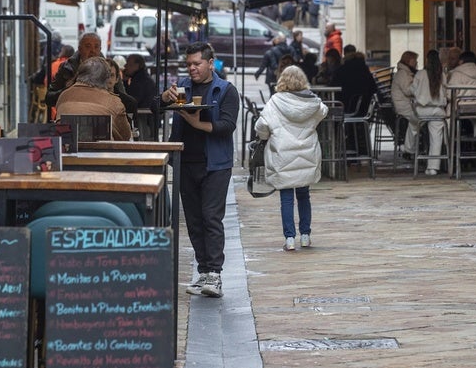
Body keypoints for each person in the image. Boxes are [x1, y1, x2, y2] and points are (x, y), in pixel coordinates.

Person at [158, 42, 239, 298]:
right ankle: (203, 271)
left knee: (210, 217)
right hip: (185, 162)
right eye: (189, 64)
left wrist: (195, 122)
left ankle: (214, 274)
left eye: (197, 64)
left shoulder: (226, 90)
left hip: (215, 164)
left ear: (210, 62)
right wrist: (163, 98)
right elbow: (154, 107)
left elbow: (227, 126)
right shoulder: (182, 86)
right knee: (193, 220)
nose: (192, 68)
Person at [255, 66, 328, 251]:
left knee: (286, 198)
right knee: (304, 196)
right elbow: (323, 111)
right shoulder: (313, 102)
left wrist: (264, 137)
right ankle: (305, 235)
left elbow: (262, 125)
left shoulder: (275, 102)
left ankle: (289, 238)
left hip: (282, 155)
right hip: (306, 154)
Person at [56, 56, 132, 141]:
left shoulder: (64, 95)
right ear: (105, 79)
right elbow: (125, 136)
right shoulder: (114, 102)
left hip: (68, 151)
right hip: (102, 152)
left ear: (79, 74)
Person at [410, 49, 447, 176]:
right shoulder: (442, 75)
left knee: (413, 125)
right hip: (438, 110)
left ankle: (409, 148)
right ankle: (433, 168)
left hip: (422, 110)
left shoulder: (420, 74)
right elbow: (446, 92)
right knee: (436, 138)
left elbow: (412, 90)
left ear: (427, 60)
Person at [46, 32, 102, 109]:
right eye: (88, 46)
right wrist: (68, 90)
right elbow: (49, 99)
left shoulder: (110, 69)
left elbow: (122, 99)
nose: (93, 51)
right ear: (80, 49)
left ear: (100, 49)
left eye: (96, 47)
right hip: (71, 114)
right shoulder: (67, 67)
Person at [447, 50, 476, 137]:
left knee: (449, 111)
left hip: (461, 107)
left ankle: (449, 139)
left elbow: (449, 94)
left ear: (461, 61)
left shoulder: (456, 74)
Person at [391, 50, 419, 159]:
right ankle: (411, 148)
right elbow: (408, 91)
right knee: (419, 120)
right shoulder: (403, 74)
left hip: (408, 104)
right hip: (405, 107)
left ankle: (411, 148)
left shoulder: (405, 72)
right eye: (415, 60)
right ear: (409, 61)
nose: (416, 63)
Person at [123, 53, 158, 140]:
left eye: (129, 64)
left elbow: (131, 100)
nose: (125, 66)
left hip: (145, 122)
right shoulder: (140, 78)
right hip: (147, 121)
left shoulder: (140, 81)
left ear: (137, 66)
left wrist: (124, 82)